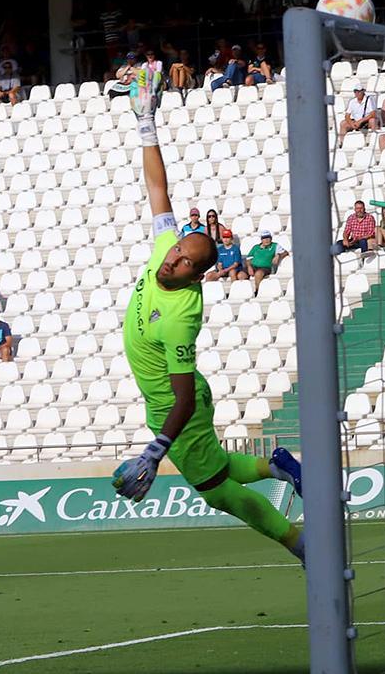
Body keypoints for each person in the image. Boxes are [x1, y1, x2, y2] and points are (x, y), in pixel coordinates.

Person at [111, 67, 306, 565]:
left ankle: (301, 544)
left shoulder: (181, 314)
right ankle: (278, 466)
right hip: (171, 398)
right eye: (175, 250)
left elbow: (179, 398)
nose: (172, 260)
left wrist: (156, 451)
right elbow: (160, 192)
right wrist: (146, 125)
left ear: (198, 275)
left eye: (184, 262)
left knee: (215, 490)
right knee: (217, 464)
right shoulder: (163, 250)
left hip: (177, 404)